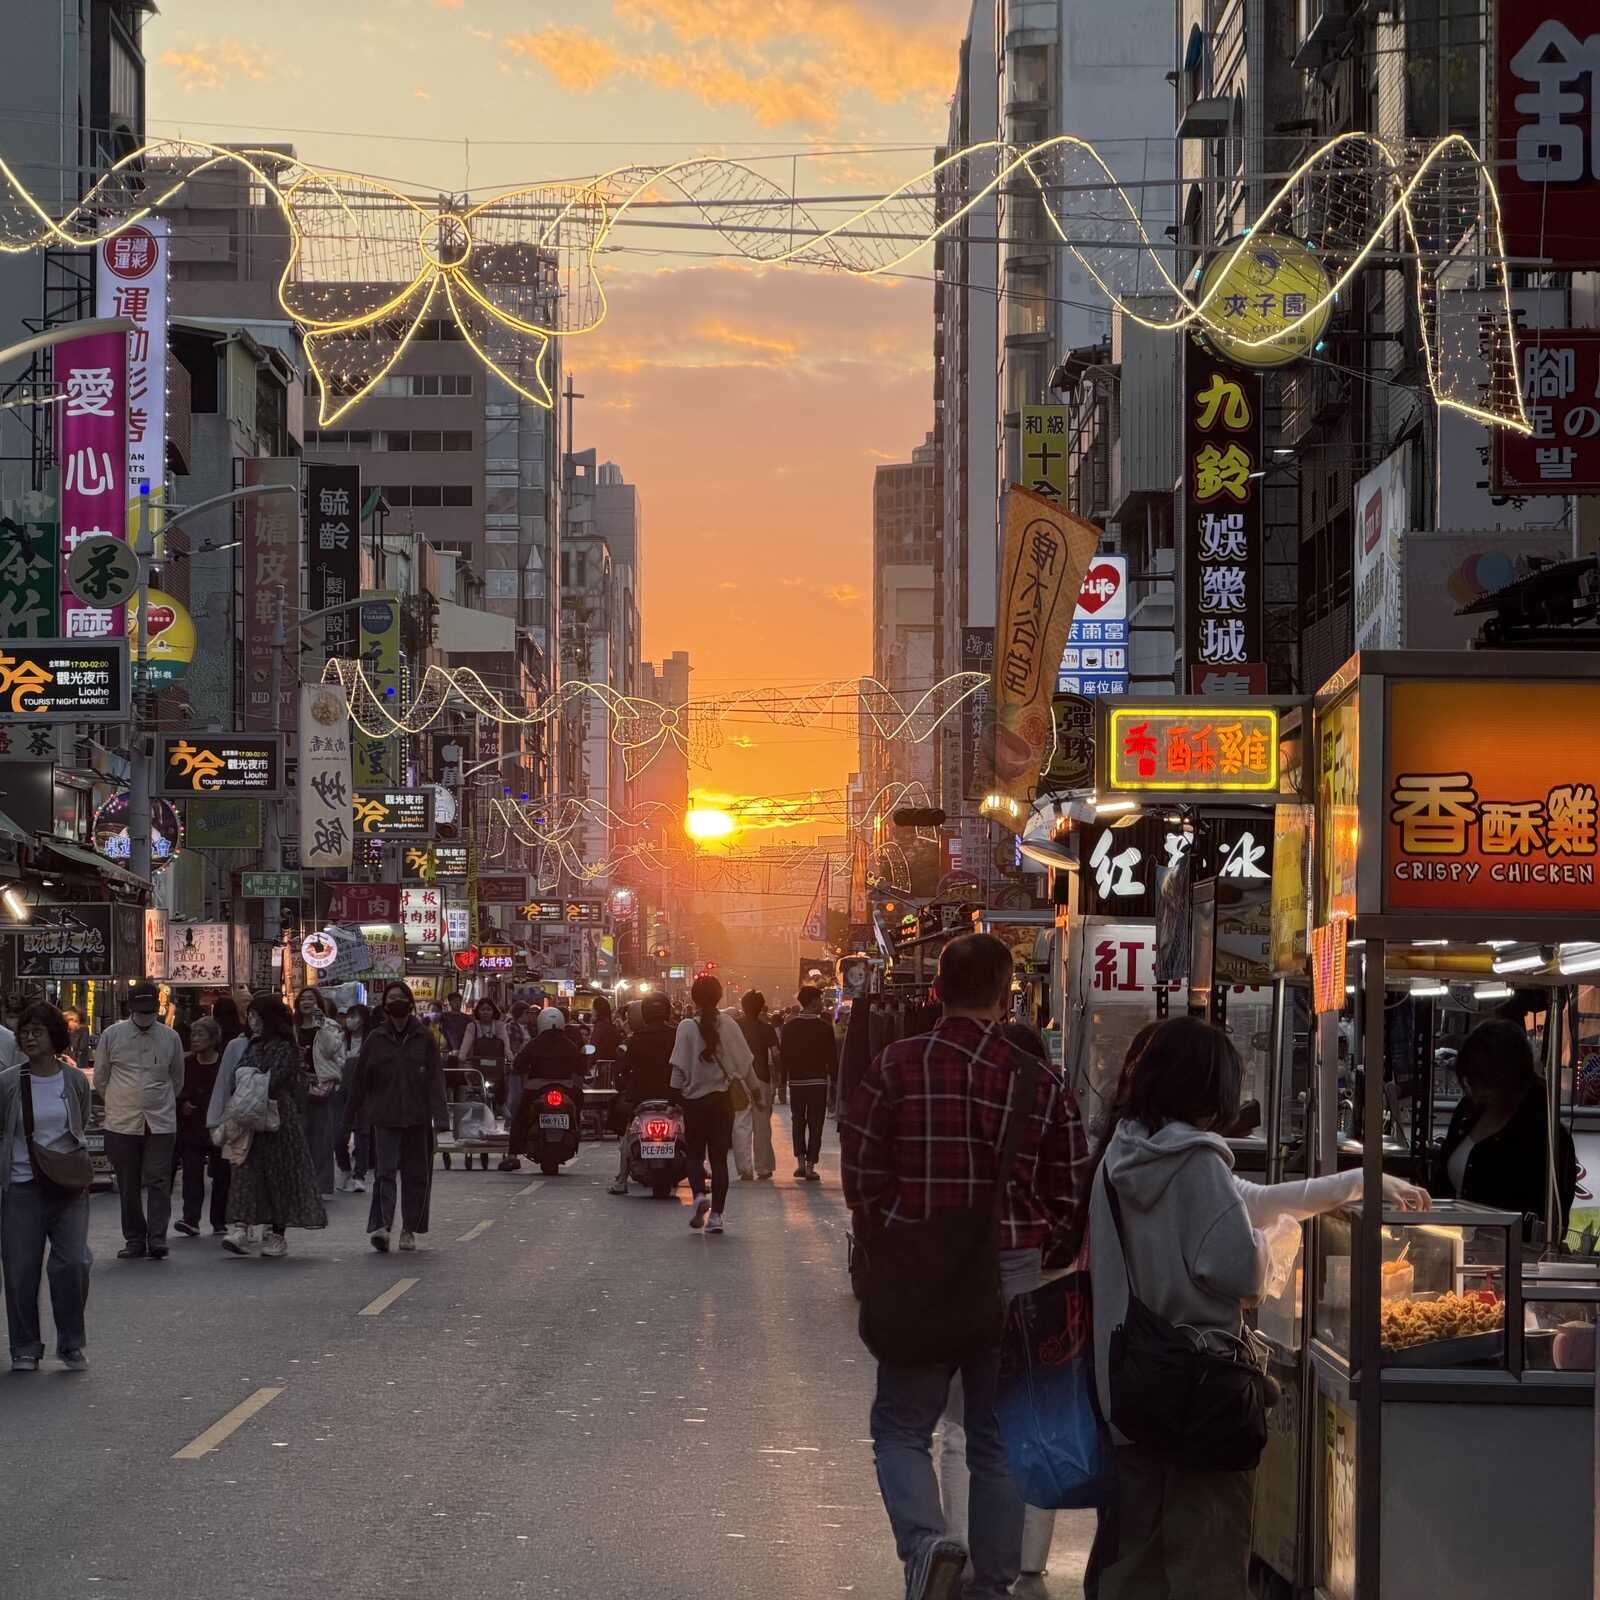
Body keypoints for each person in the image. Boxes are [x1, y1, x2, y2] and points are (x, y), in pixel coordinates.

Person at [1084, 1016, 1427, 1598]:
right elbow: (1239, 1269)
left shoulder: (1123, 1153)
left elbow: (1253, 1200)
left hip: (1131, 1386)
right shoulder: (1193, 1163)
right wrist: (1285, 1239)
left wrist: (1358, 1181)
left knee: (1135, 1559)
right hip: (1200, 1395)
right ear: (1208, 1087)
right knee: (1206, 1562)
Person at [840, 933, 1091, 1600]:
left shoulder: (896, 1065)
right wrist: (1036, 1248)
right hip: (1009, 1276)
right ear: (1007, 997)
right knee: (997, 1438)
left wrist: (891, 1236)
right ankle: (993, 1585)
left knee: (901, 1426)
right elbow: (1070, 1190)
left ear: (936, 990)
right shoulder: (1037, 1080)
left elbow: (860, 1174)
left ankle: (928, 1545)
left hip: (915, 1268)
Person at [1, 1003, 94, 1372]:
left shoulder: (72, 1080)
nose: (29, 1036)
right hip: (21, 1186)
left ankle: (71, 1342)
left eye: (38, 1030)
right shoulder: (9, 1081)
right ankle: (25, 1347)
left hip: (68, 1186)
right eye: (25, 1030)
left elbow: (81, 1120)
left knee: (74, 1263)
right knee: (20, 1269)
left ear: (55, 1035)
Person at [1434, 1017, 1578, 1240]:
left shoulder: (1547, 1137)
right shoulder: (1468, 1111)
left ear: (1506, 1078)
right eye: (1470, 1082)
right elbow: (1442, 1182)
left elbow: (1548, 1224)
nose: (1474, 1091)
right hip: (1452, 1247)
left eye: (1481, 1081)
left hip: (1506, 1261)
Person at [222, 994, 328, 1259]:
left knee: (280, 1176)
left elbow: (273, 1078)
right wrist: (252, 1078)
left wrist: (251, 1078)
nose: (252, 1020)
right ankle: (240, 1227)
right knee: (246, 1171)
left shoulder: (285, 1047)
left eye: (256, 1015)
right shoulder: (252, 1045)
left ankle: (277, 1234)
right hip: (250, 1119)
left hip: (278, 1119)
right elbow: (239, 1075)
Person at [347, 981, 447, 1252]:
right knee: (385, 1173)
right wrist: (350, 1115)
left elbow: (435, 1079)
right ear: (385, 1006)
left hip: (418, 1116)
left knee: (416, 1175)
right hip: (385, 1116)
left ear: (410, 1002)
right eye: (391, 998)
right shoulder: (376, 1039)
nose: (396, 1001)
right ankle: (382, 1227)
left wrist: (441, 1118)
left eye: (401, 997)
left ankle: (409, 1229)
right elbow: (360, 1081)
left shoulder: (424, 1037)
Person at [94, 980, 184, 1261]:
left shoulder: (170, 1038)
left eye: (150, 1011)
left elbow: (177, 1080)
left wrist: (158, 1100)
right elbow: (101, 1078)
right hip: (122, 1121)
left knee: (158, 1180)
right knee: (128, 1182)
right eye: (141, 1011)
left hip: (160, 1121)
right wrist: (122, 1101)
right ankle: (134, 1238)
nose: (146, 1017)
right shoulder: (112, 1035)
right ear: (131, 1008)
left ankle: (157, 1238)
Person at [670, 974, 763, 1235]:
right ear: (719, 996)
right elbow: (746, 1064)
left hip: (694, 1103)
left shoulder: (685, 1027)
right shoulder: (730, 1025)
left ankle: (699, 1196)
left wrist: (673, 1100)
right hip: (722, 1103)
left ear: (693, 998)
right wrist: (756, 1092)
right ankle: (717, 1217)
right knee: (719, 1160)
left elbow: (678, 1070)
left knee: (695, 1155)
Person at [608, 993, 680, 1195]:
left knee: (626, 1131)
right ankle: (700, 1171)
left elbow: (624, 1070)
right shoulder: (677, 1035)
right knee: (694, 1128)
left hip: (639, 1097)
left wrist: (624, 1086)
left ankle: (621, 1180)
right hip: (673, 1095)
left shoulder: (635, 1039)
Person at [502, 1006, 584, 1172]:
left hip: (536, 1089)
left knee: (521, 1116)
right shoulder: (569, 1044)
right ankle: (576, 1125)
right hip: (566, 1089)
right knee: (578, 1104)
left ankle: (512, 1155)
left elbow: (518, 1065)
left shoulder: (534, 1044)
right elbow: (581, 1068)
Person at [173, 1015, 230, 1238]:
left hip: (219, 1126)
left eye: (201, 1035)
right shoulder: (186, 1063)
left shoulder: (223, 1063)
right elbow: (177, 1088)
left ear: (214, 1038)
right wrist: (183, 1103)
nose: (195, 1040)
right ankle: (190, 1219)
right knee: (191, 1174)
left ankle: (219, 1220)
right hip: (192, 1127)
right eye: (193, 1035)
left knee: (222, 1176)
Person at [781, 986, 838, 1181]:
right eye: (820, 1000)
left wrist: (783, 1080)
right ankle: (811, 1165)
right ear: (813, 1001)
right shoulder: (824, 1027)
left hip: (796, 1082)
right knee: (816, 1123)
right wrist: (835, 1079)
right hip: (818, 1082)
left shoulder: (789, 1027)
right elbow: (832, 1058)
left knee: (798, 1120)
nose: (822, 1003)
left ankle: (800, 1163)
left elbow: (784, 1056)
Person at [295, 987, 345, 1197]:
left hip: (321, 1083)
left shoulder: (330, 1025)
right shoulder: (293, 1028)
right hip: (298, 1083)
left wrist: (321, 1025)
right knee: (300, 1135)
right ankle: (302, 1183)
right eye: (303, 999)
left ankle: (323, 1184)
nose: (307, 1002)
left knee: (322, 1136)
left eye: (311, 998)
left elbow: (331, 1050)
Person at [734, 990, 779, 1181]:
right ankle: (764, 1167)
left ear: (743, 1006)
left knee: (741, 1124)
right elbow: (776, 1054)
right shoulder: (767, 1028)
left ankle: (744, 1168)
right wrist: (777, 1078)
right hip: (761, 1079)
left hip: (738, 1080)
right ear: (761, 1007)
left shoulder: (735, 1027)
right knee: (762, 1125)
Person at [335, 1002, 373, 1194]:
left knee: (362, 1135)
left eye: (355, 1016)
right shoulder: (341, 1039)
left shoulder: (371, 1040)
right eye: (349, 1015)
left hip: (365, 1093)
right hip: (342, 1091)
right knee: (339, 1137)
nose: (351, 1020)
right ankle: (344, 1169)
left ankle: (359, 1175)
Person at [459, 997, 510, 1115]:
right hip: (476, 1069)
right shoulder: (472, 1026)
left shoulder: (500, 1026)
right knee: (473, 1092)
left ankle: (501, 1106)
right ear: (478, 1011)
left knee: (503, 1087)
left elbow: (506, 1046)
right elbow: (465, 1045)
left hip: (496, 1069)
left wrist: (511, 1059)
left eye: (488, 1009)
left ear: (493, 1011)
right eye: (483, 1009)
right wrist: (461, 1057)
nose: (485, 1012)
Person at [589, 995, 624, 1063]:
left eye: (592, 1008)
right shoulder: (613, 1028)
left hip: (601, 1068)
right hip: (612, 1067)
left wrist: (590, 1064)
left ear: (597, 1011)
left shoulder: (599, 1027)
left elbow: (593, 1049)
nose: (591, 1011)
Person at [61, 1006, 96, 1073]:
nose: (77, 1026)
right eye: (76, 1021)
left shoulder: (82, 1030)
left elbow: (81, 1049)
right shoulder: (56, 1028)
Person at [438, 991, 472, 1060]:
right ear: (450, 1002)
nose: (457, 1003)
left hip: (463, 1050)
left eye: (459, 1001)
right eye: (454, 1001)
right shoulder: (444, 1016)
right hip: (446, 1050)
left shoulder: (467, 1018)